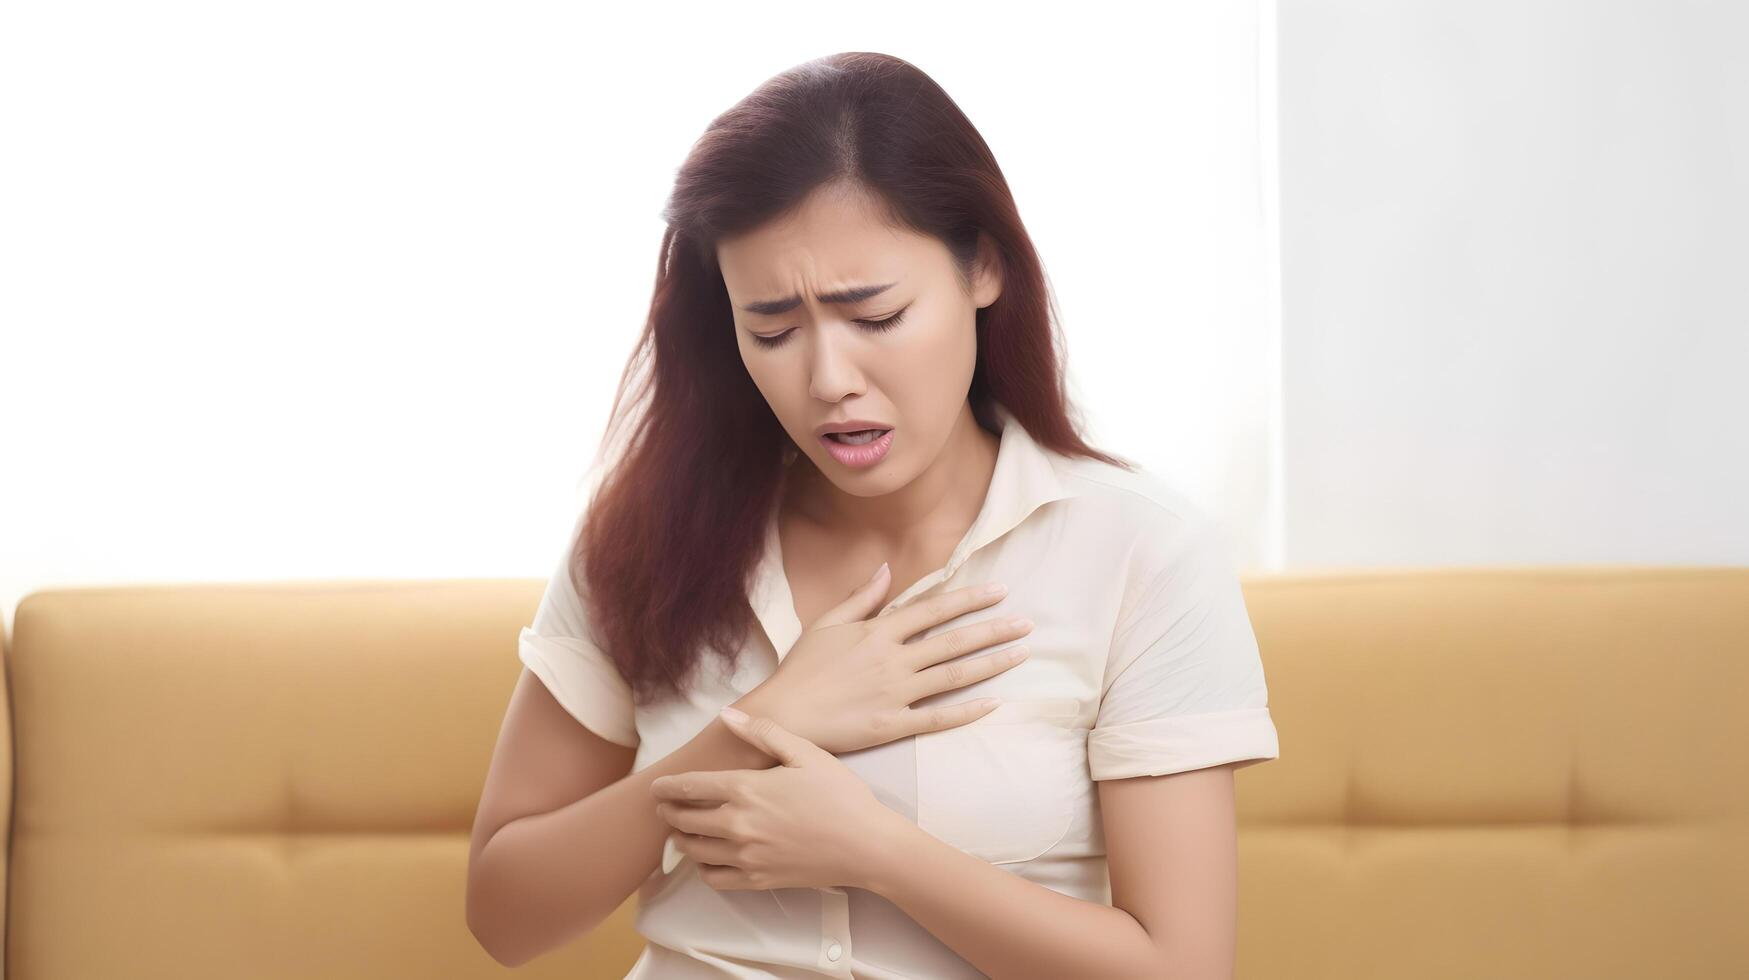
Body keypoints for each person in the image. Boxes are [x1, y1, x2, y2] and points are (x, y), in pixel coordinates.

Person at [467, 51, 1280, 979]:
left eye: (877, 316)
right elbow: (503, 912)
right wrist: (760, 727)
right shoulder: (649, 538)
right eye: (770, 330)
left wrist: (879, 854)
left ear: (982, 267)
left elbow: (1182, 969)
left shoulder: (1138, 553)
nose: (827, 380)